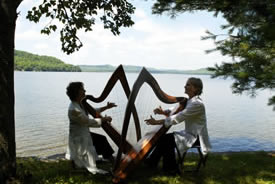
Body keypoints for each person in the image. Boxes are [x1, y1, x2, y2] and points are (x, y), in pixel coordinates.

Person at [145, 77, 211, 175]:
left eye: (188, 84)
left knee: (166, 140)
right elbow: (175, 110)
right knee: (164, 138)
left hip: (197, 137)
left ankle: (170, 169)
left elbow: (178, 117)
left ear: (196, 89)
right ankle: (153, 163)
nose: (185, 86)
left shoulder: (197, 104)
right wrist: (163, 111)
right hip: (189, 133)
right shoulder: (189, 101)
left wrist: (156, 122)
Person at [65, 81, 116, 174]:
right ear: (76, 92)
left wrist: (106, 107)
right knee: (101, 139)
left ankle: (109, 160)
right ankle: (113, 162)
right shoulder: (74, 109)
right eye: (82, 89)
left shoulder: (79, 104)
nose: (85, 90)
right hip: (79, 136)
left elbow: (92, 111)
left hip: (83, 133)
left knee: (101, 139)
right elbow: (87, 122)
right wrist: (104, 119)